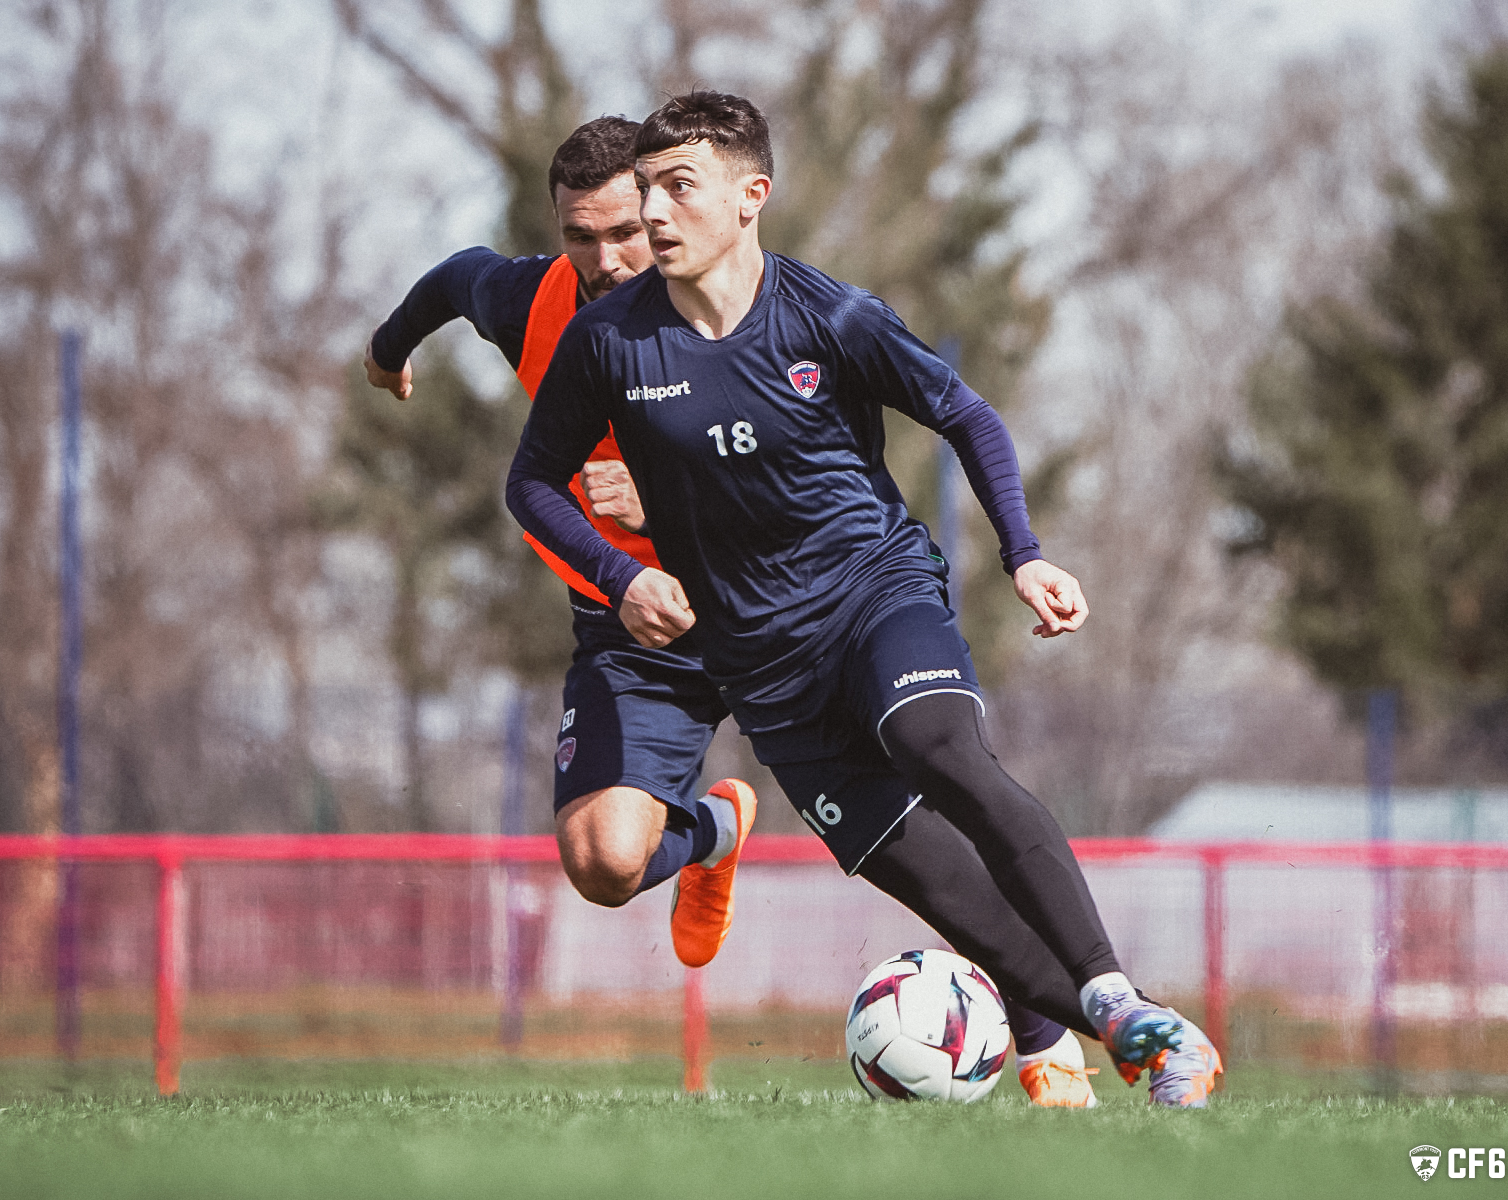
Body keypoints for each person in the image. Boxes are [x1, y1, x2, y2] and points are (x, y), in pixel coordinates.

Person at [506, 91, 1223, 1107]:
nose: (656, 214)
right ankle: (1123, 1026)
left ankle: (1113, 999)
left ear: (751, 196)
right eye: (647, 191)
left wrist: (1023, 554)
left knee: (937, 745)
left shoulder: (829, 316)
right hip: (763, 668)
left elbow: (966, 417)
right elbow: (528, 482)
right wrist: (623, 579)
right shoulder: (609, 344)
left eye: (678, 188)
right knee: (929, 875)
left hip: (872, 593)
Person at [364, 117, 756, 973]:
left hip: (775, 608)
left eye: (625, 232)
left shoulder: (748, 309)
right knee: (603, 865)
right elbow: (457, 279)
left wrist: (668, 507)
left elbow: (820, 483)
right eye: (581, 237)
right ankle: (715, 831)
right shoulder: (534, 303)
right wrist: (386, 350)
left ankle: (1049, 1030)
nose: (607, 259)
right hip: (632, 627)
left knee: (930, 792)